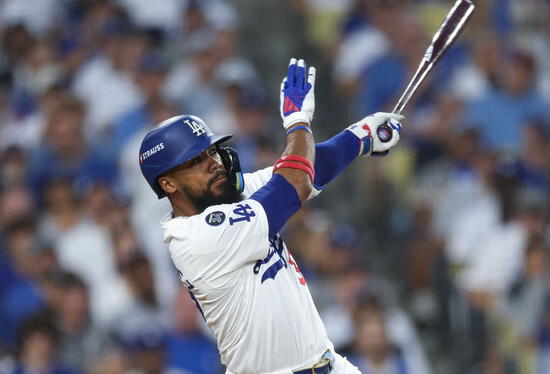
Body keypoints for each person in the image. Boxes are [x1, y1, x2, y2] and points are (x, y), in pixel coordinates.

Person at [138, 58, 403, 374]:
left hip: (328, 363)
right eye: (196, 160)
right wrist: (296, 122)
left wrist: (360, 136)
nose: (213, 162)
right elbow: (293, 184)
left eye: (210, 152)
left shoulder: (226, 197)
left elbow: (306, 170)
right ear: (167, 183)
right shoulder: (196, 239)